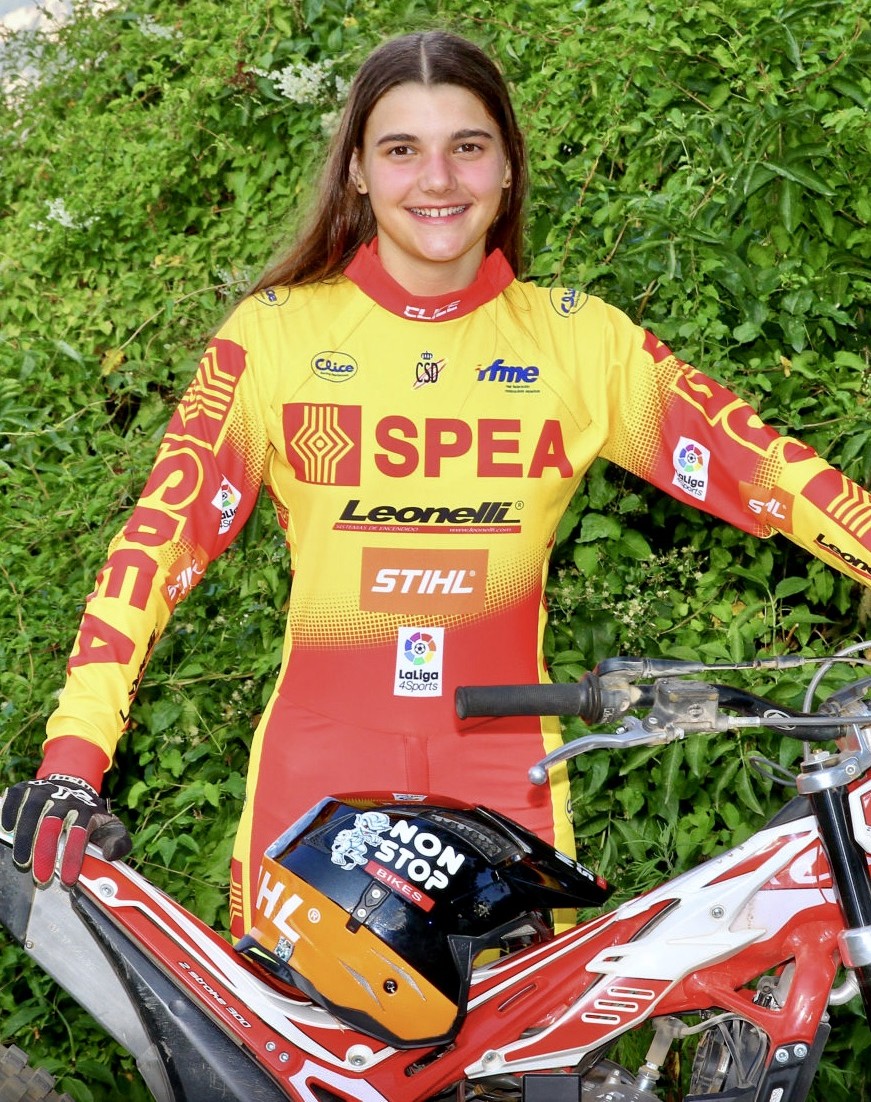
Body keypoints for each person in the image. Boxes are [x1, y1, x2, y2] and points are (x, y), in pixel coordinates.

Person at [3, 30, 870, 943]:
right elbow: (158, 541)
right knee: (295, 1041)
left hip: (504, 777)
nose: (437, 179)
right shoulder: (273, 337)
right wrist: (73, 758)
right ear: (356, 172)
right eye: (400, 150)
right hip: (316, 775)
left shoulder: (578, 343)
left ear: (507, 166)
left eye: (467, 146)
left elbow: (767, 470)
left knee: (527, 1043)